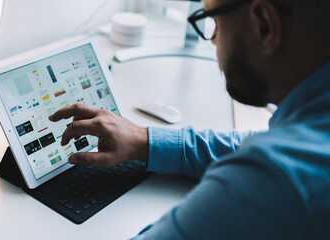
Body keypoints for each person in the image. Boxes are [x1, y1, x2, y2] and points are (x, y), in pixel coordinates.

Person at [49, 0, 330, 238]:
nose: (214, 39)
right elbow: (242, 143)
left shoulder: (276, 178)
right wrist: (143, 140)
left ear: (264, 26)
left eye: (213, 23)